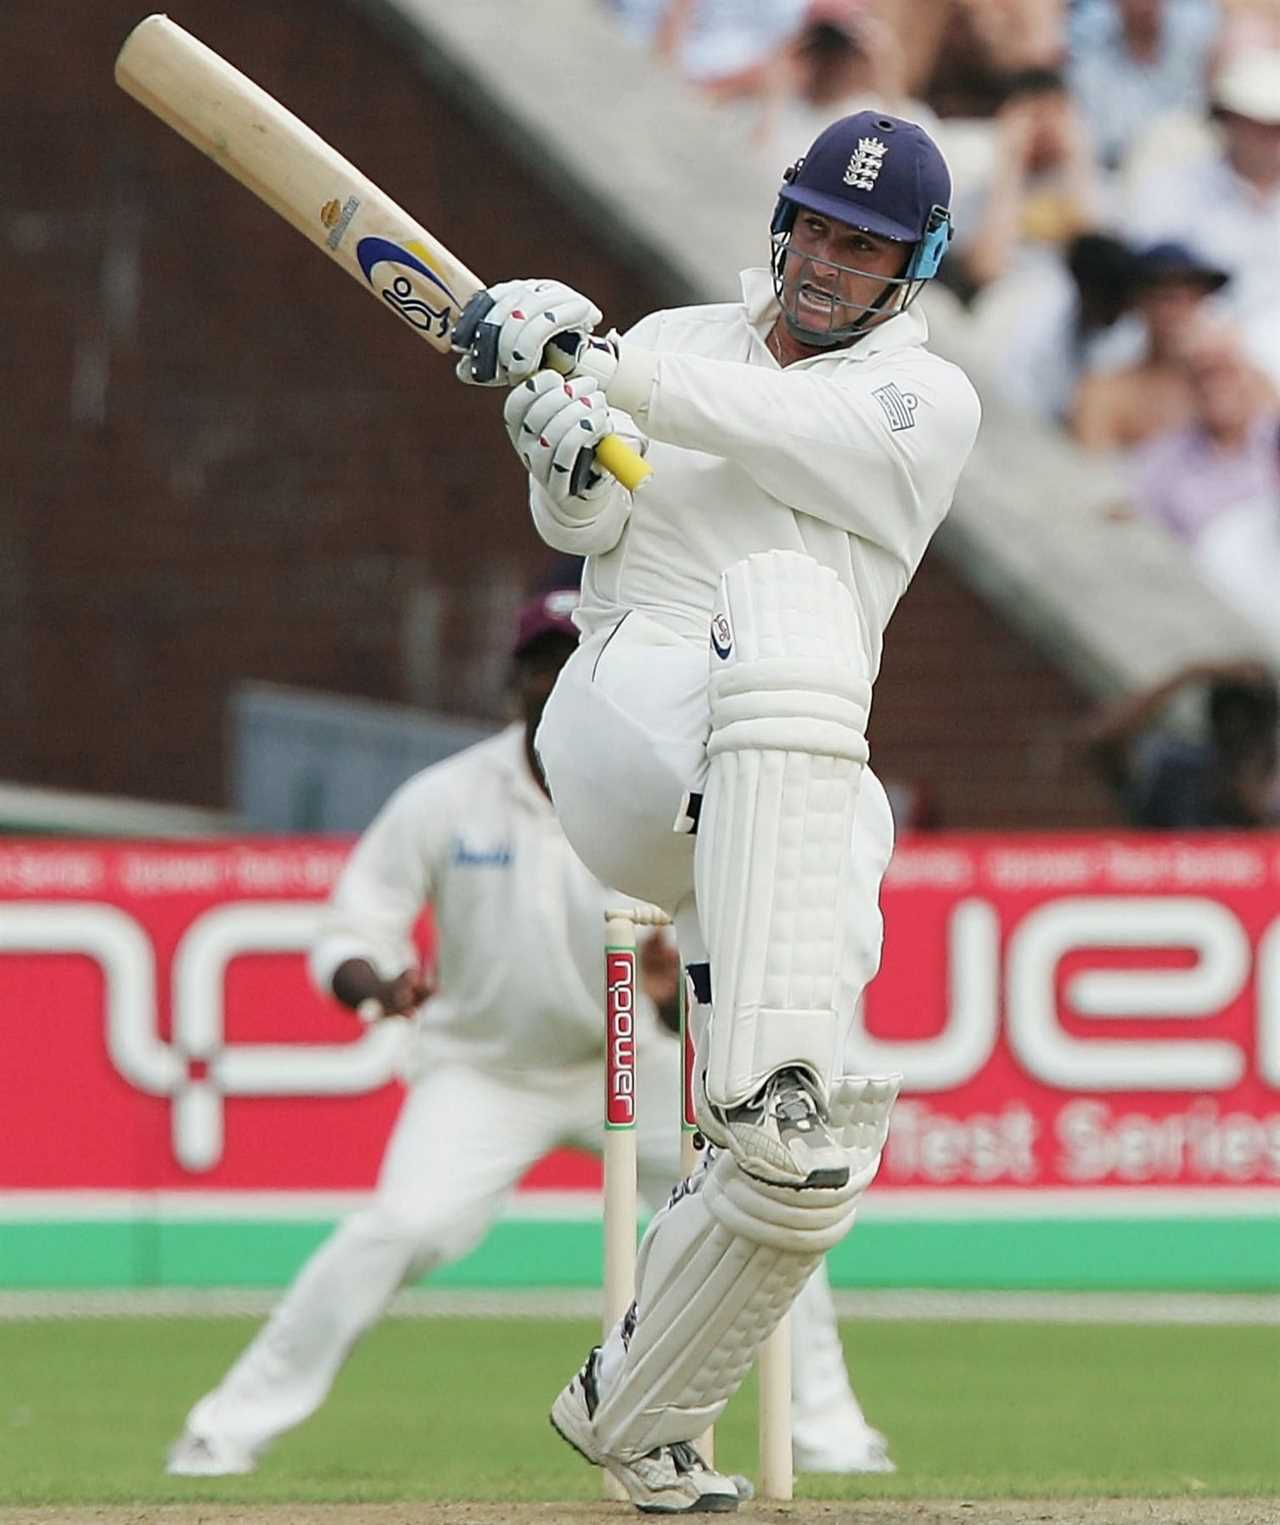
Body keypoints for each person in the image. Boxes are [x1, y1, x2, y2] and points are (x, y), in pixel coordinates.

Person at [453, 109, 979, 1510]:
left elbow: (776, 427)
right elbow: (586, 531)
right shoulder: (675, 343)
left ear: (911, 267)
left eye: (862, 245)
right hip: (625, 728)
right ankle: (756, 1082)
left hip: (788, 777)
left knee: (813, 1149)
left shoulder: (924, 406)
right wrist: (558, 442)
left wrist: (597, 368)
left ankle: (638, 1412)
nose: (824, 260)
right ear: (782, 224)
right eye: (812, 225)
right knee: (786, 614)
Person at [165, 591, 895, 1480]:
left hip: (637, 1061)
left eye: (571, 660)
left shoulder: (664, 790)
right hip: (488, 1072)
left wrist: (669, 1001)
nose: (555, 681)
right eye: (540, 665)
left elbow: (712, 947)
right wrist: (382, 984)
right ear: (514, 683)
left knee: (769, 1198)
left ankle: (832, 1432)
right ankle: (224, 1430)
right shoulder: (448, 796)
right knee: (400, 1227)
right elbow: (351, 931)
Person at [1070, 241, 1231, 453]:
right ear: (1138, 301)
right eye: (1166, 297)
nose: (1178, 310)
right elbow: (1091, 472)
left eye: (1191, 296)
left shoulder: (1236, 387)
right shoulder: (1105, 393)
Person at [1083, 658, 1280, 827]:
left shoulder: (1270, 775)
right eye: (1231, 719)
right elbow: (1104, 741)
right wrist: (1192, 674)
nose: (1240, 733)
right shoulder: (1179, 767)